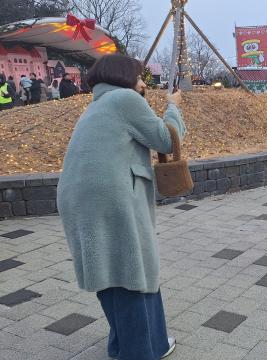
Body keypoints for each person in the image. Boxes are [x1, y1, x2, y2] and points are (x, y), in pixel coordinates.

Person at [57, 54, 185, 360]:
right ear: (124, 77)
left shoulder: (97, 105)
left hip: (77, 198)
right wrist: (174, 107)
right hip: (109, 197)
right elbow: (166, 141)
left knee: (109, 271)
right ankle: (141, 350)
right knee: (132, 271)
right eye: (140, 77)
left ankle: (125, 344)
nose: (143, 83)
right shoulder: (125, 98)